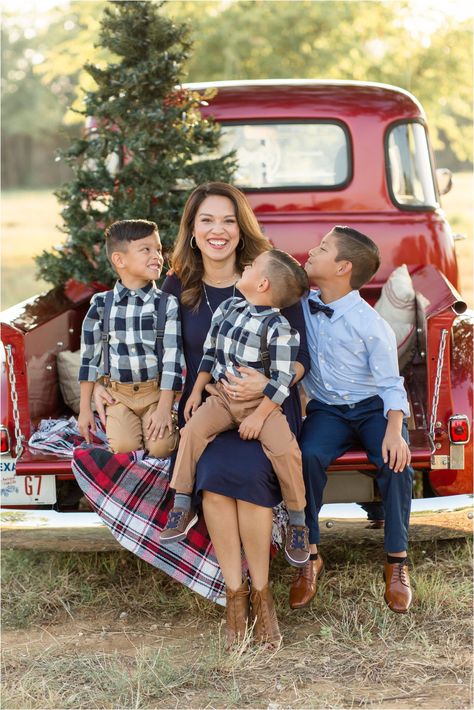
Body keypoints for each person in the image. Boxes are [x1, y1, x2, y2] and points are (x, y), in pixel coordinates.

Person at [93, 183, 310, 648]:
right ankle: (235, 596)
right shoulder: (176, 285)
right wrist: (106, 390)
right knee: (211, 474)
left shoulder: (272, 276)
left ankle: (262, 594)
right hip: (209, 407)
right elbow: (139, 344)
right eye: (207, 220)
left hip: (265, 407)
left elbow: (300, 357)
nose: (218, 230)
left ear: (241, 227)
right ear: (192, 230)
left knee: (249, 476)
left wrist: (265, 386)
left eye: (229, 220)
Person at [160, 248, 311, 570]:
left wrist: (259, 416)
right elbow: (211, 352)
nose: (246, 265)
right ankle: (183, 502)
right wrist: (197, 390)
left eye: (253, 265)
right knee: (191, 432)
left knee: (285, 450)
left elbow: (284, 380)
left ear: (263, 284)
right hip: (222, 398)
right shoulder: (228, 308)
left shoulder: (281, 329)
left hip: (264, 404)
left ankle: (298, 521)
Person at [290, 225, 413, 614]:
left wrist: (395, 432)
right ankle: (310, 556)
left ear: (342, 267)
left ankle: (396, 561)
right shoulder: (300, 306)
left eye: (322, 248)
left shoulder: (370, 323)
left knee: (395, 464)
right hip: (327, 409)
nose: (312, 249)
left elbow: (391, 384)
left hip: (374, 407)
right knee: (306, 455)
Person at [78, 219, 183, 458]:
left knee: (161, 447)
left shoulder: (166, 304)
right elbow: (89, 360)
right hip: (119, 396)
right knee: (124, 446)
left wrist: (165, 408)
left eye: (158, 249)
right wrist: (85, 409)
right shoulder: (101, 305)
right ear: (119, 260)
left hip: (155, 393)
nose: (157, 255)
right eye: (146, 249)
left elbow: (172, 359)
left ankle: (160, 427)